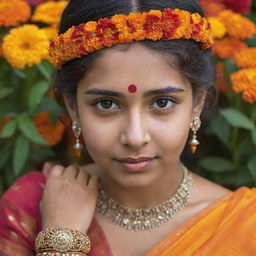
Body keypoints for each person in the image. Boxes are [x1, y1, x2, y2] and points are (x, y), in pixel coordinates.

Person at [0, 0, 256, 255]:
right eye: (106, 104)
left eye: (162, 102)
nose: (135, 137)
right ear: (73, 107)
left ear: (197, 104)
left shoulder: (244, 227)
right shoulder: (32, 207)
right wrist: (60, 235)